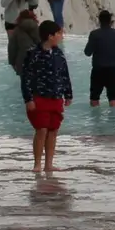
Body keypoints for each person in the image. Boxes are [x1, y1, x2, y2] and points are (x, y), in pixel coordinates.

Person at [20, 19, 73, 170]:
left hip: (56, 97)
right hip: (39, 97)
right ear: (50, 36)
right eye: (59, 34)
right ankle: (37, 164)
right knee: (41, 129)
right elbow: (26, 78)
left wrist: (68, 94)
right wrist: (28, 99)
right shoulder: (33, 53)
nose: (61, 36)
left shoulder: (58, 53)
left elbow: (64, 74)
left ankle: (49, 164)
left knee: (53, 130)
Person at [83, 8, 115, 106]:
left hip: (98, 70)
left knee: (94, 98)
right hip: (113, 70)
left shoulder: (94, 34)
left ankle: (95, 116)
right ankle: (113, 116)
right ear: (110, 21)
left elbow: (87, 52)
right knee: (113, 98)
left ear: (99, 20)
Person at [6, 7, 44, 73]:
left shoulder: (16, 31)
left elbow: (12, 47)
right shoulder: (37, 28)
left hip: (21, 60)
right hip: (35, 59)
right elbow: (42, 44)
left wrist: (12, 62)